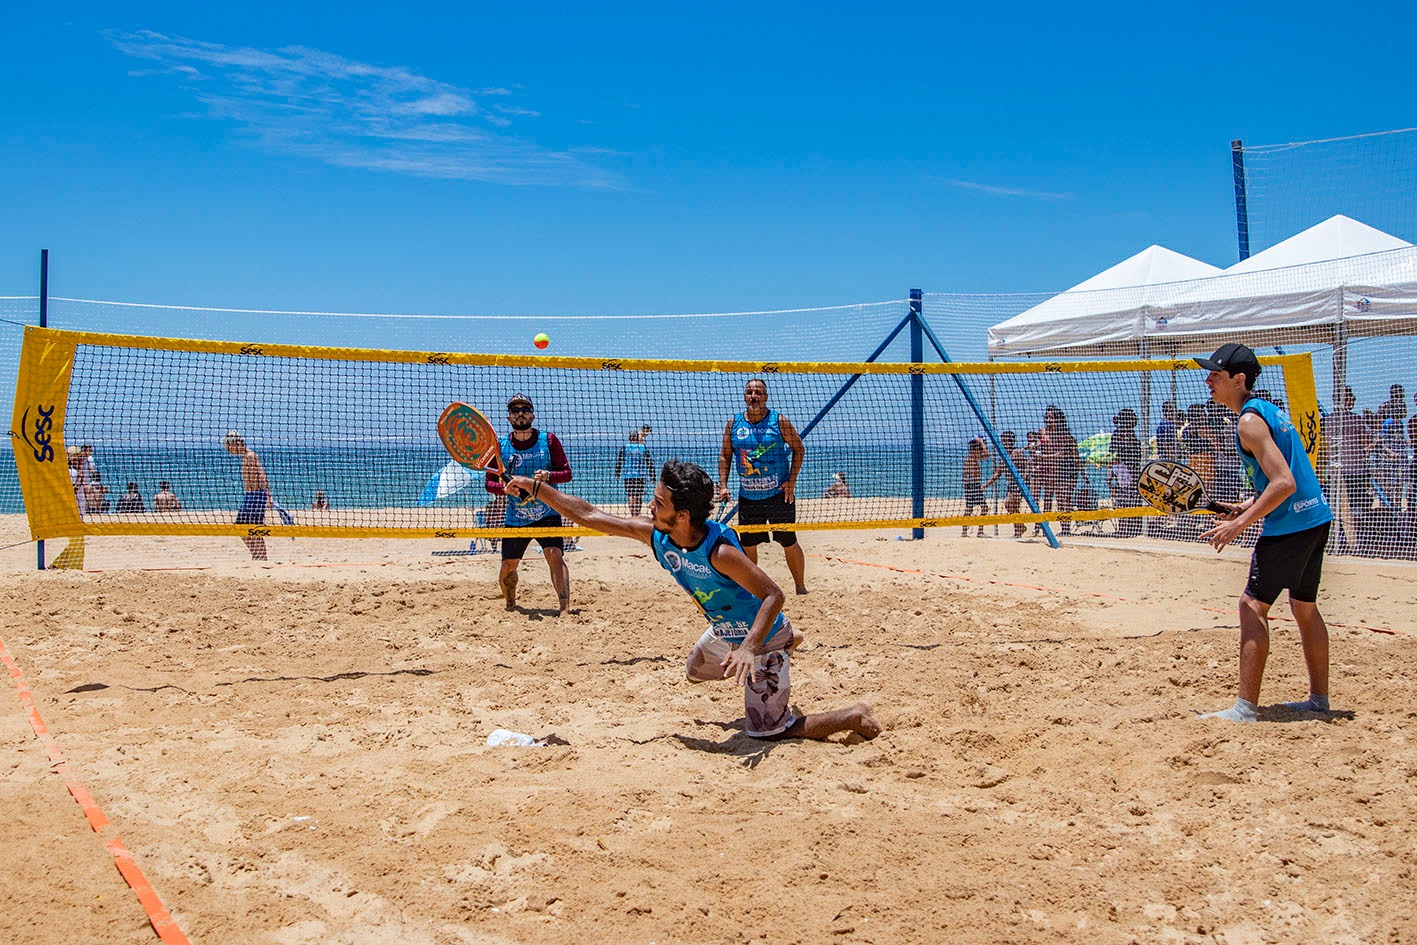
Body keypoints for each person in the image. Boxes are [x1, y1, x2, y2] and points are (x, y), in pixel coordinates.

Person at [507, 459, 882, 743]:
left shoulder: (719, 552)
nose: (651, 508)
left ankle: (851, 714)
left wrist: (751, 647)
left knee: (768, 732)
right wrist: (536, 489)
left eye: (659, 502)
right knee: (695, 673)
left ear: (682, 514)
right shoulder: (657, 535)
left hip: (755, 636)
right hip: (725, 629)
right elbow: (589, 515)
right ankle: (787, 640)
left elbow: (774, 594)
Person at [1193, 344, 1334, 723]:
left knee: (1251, 606)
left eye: (1216, 375)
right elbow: (1282, 477)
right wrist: (1246, 505)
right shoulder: (1268, 411)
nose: (1208, 380)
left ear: (1239, 380)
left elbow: (1284, 482)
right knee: (1304, 607)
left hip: (1291, 524)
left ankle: (1245, 709)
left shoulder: (1249, 422)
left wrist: (1239, 524)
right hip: (1316, 515)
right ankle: (1318, 701)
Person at [484, 393, 573, 615]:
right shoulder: (500, 446)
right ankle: (510, 604)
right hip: (516, 517)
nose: (520, 413)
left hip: (548, 512)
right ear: (509, 417)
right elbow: (489, 483)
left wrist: (548, 476)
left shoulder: (548, 440)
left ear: (532, 414)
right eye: (515, 410)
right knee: (508, 566)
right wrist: (503, 490)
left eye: (525, 409)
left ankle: (564, 607)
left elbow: (567, 473)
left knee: (554, 555)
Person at [717, 378, 808, 594]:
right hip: (748, 497)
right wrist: (723, 485)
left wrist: (791, 481)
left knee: (788, 541)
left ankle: (800, 587)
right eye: (750, 392)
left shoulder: (779, 421)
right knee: (748, 546)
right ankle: (751, 589)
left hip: (779, 495)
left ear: (766, 396)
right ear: (744, 396)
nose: (754, 396)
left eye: (758, 392)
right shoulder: (734, 423)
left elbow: (799, 449)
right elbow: (725, 455)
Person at [223, 431, 275, 560]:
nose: (229, 451)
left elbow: (262, 475)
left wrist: (269, 496)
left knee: (254, 529)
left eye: (229, 447)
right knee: (241, 528)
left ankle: (261, 557)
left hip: (257, 496)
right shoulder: (246, 456)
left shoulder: (251, 456)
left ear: (237, 443)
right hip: (250, 496)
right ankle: (257, 555)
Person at [1038, 405, 1080, 536]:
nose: (1049, 420)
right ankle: (1063, 528)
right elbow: (1040, 447)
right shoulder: (1044, 433)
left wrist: (1082, 474)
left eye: (1052, 418)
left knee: (1064, 498)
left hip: (1068, 469)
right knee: (1059, 501)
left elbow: (1068, 455)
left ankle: (1066, 528)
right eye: (1047, 418)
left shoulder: (1066, 436)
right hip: (1054, 470)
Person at [984, 431, 1027, 539]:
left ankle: (1020, 528)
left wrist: (1023, 481)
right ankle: (1019, 529)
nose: (1005, 443)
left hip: (1020, 484)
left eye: (1007, 440)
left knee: (1009, 504)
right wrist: (987, 484)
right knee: (1013, 507)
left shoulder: (1017, 452)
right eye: (1003, 441)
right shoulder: (1003, 455)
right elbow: (999, 472)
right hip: (1011, 484)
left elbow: (1027, 467)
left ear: (1012, 441)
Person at [1108, 409, 1143, 538]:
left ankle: (1133, 528)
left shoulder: (1129, 434)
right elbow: (1112, 454)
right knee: (1124, 500)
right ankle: (1124, 529)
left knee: (1132, 500)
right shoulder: (1119, 434)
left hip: (1131, 471)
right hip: (1124, 472)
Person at [614, 430, 654, 516]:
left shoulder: (625, 447)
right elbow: (649, 462)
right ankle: (637, 514)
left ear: (629, 438)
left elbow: (619, 461)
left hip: (628, 476)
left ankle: (633, 515)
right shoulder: (643, 447)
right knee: (638, 496)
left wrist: (618, 473)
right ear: (637, 438)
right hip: (640, 476)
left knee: (631, 496)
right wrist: (652, 476)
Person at [961, 438, 989, 537]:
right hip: (972, 485)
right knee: (980, 508)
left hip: (971, 485)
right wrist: (981, 442)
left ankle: (968, 531)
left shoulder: (972, 458)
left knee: (972, 508)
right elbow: (987, 455)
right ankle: (976, 531)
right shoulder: (971, 458)